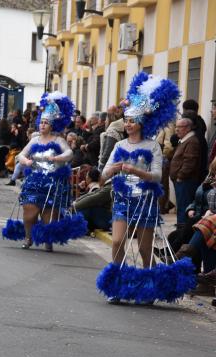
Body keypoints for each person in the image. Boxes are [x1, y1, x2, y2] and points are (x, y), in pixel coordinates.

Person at [98, 72, 193, 304]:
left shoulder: (152, 147)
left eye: (132, 121)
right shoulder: (119, 144)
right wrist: (112, 170)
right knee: (119, 241)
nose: (128, 124)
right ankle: (116, 286)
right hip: (123, 199)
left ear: (141, 123)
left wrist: (136, 171)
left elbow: (157, 175)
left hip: (145, 201)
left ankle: (150, 286)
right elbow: (104, 172)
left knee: (144, 249)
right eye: (127, 120)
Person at [17, 92, 76, 251]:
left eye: (46, 123)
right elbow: (20, 154)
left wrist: (58, 158)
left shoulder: (59, 140)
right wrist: (26, 161)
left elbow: (69, 153)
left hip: (53, 184)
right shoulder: (34, 140)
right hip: (34, 181)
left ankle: (47, 239)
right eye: (41, 122)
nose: (42, 125)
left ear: (52, 125)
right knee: (29, 213)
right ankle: (28, 237)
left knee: (49, 218)